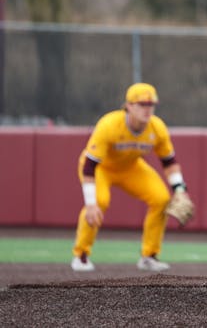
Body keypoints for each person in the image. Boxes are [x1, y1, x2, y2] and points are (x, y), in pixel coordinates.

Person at [71, 83, 189, 272]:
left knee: (161, 199)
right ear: (129, 106)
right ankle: (81, 255)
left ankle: (149, 256)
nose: (147, 109)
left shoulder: (156, 127)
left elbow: (169, 162)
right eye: (142, 104)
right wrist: (91, 203)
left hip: (130, 167)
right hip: (100, 168)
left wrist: (180, 189)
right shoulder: (110, 124)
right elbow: (89, 165)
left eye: (151, 104)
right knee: (99, 202)